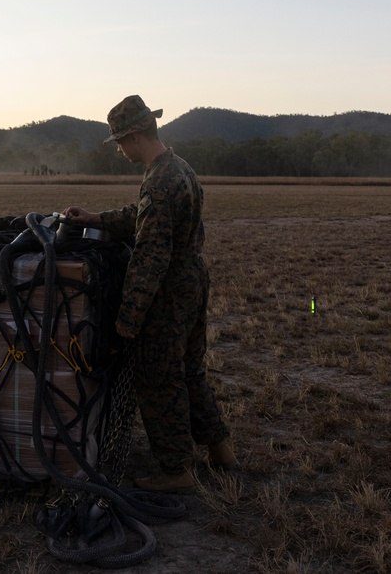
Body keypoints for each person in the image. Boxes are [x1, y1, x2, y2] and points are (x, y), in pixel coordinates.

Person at [63, 94, 235, 494]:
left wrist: (128, 319)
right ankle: (221, 449)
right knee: (191, 370)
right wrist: (96, 218)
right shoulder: (178, 169)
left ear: (136, 137)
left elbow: (149, 258)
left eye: (120, 142)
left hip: (169, 293)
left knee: (159, 376)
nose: (120, 150)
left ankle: (176, 470)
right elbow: (140, 219)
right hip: (192, 282)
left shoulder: (158, 184)